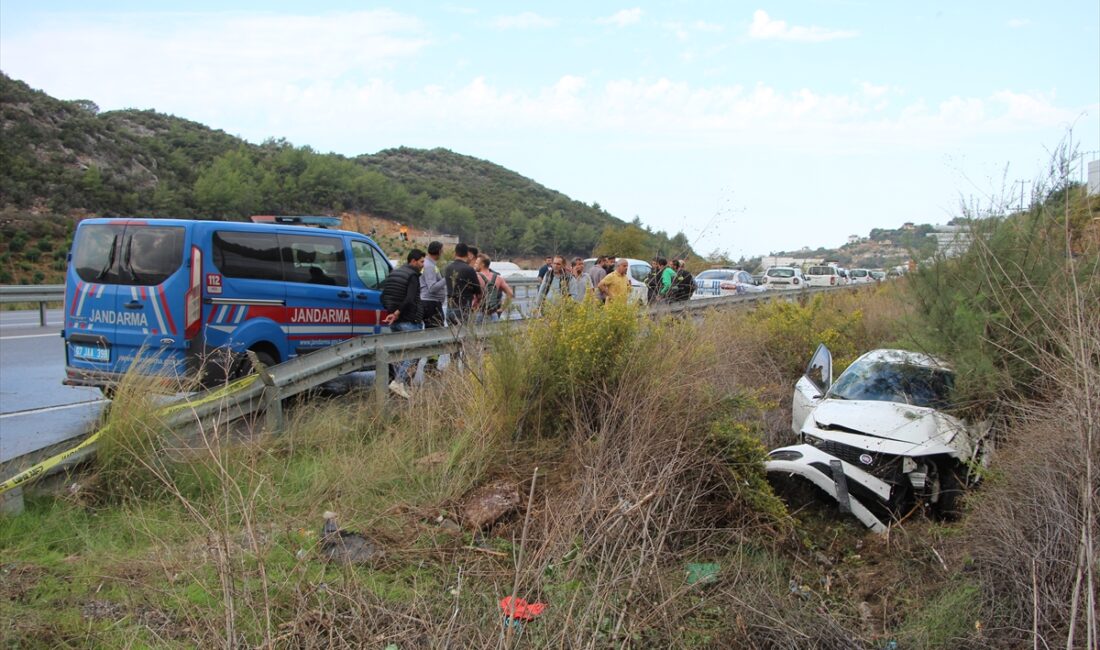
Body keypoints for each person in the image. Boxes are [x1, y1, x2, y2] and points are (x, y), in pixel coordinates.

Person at [381, 249, 426, 398]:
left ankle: (399, 386)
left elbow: (383, 296)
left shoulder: (393, 273)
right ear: (413, 261)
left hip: (395, 321)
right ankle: (398, 381)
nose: (422, 265)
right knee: (414, 351)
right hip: (409, 319)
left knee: (399, 354)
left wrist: (391, 312)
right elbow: (410, 299)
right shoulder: (412, 275)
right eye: (421, 261)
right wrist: (398, 312)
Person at [419, 241, 446, 372]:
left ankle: (432, 364)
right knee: (435, 333)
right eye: (442, 250)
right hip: (430, 303)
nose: (443, 252)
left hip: (432, 303)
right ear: (438, 251)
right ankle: (431, 365)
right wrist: (446, 279)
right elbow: (432, 288)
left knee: (434, 333)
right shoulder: (429, 266)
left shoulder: (430, 264)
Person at [444, 242, 481, 324]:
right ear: (467, 254)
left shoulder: (448, 268)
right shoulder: (469, 269)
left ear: (455, 253)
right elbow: (478, 290)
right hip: (463, 307)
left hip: (450, 307)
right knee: (462, 334)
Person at [473, 254, 515, 321]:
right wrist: (502, 308)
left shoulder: (475, 277)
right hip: (493, 313)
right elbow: (510, 293)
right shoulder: (498, 278)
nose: (474, 265)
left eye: (476, 263)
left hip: (479, 312)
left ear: (482, 264)